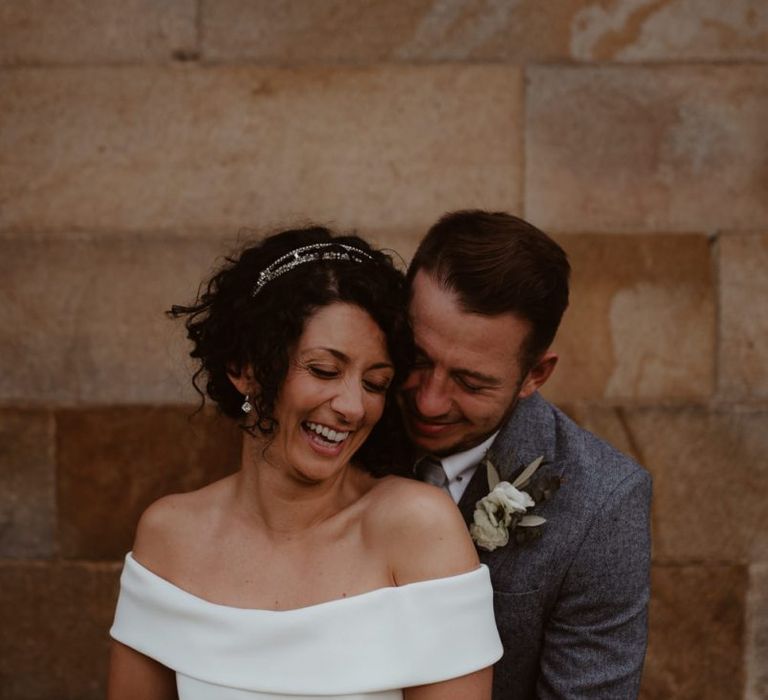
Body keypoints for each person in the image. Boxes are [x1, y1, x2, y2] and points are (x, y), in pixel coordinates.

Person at [107, 226, 502, 700]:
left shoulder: (416, 527)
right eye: (324, 371)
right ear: (245, 368)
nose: (353, 406)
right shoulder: (170, 535)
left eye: (375, 383)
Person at [401, 210, 652, 699]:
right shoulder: (341, 430)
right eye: (416, 359)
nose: (428, 401)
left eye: (470, 382)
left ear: (536, 375)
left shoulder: (603, 502)